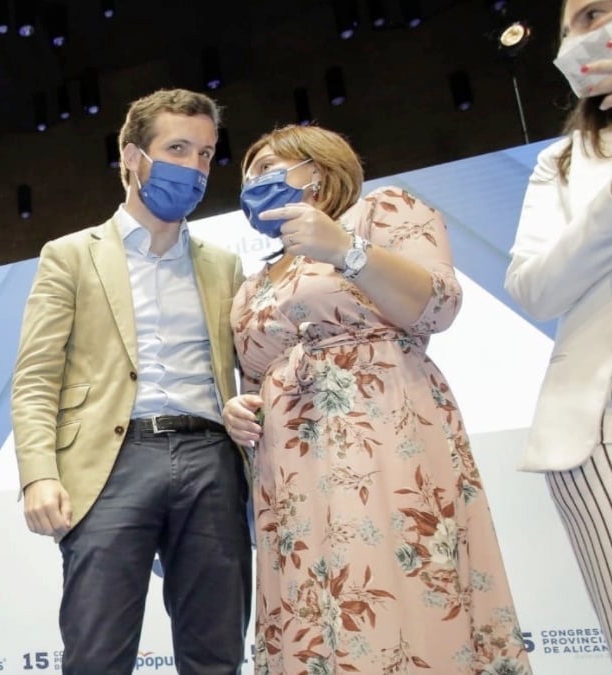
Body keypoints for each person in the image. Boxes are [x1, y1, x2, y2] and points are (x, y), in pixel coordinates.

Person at [223, 124, 530, 674]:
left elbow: (438, 305)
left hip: (383, 434)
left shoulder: (383, 212)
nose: (254, 182)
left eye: (269, 167)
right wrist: (238, 405)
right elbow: (254, 370)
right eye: (248, 175)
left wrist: (345, 251)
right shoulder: (257, 278)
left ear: (317, 169)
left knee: (396, 573)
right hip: (290, 473)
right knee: (310, 599)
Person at [11, 88, 251, 674]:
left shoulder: (225, 265)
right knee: (97, 654)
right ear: (132, 157)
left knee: (217, 653)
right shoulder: (68, 255)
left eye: (205, 153)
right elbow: (36, 377)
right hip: (110, 463)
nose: (193, 167)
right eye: (176, 148)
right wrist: (39, 474)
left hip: (213, 462)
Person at [504, 1, 612, 672]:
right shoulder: (564, 160)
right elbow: (535, 289)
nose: (579, 37)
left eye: (595, 14)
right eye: (570, 27)